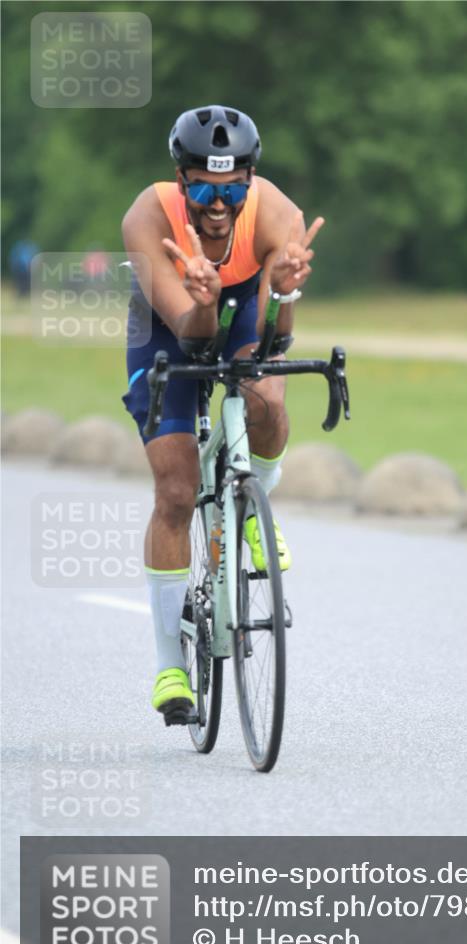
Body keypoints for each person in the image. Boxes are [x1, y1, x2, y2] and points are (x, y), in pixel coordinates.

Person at [121, 105, 323, 719]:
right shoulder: (148, 217)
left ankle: (256, 509)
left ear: (250, 179)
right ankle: (169, 669)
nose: (217, 201)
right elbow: (189, 334)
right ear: (181, 180)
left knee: (266, 394)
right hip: (167, 321)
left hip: (239, 305)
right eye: (204, 186)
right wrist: (202, 298)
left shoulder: (278, 217)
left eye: (231, 186)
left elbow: (275, 342)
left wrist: (284, 290)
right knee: (176, 492)